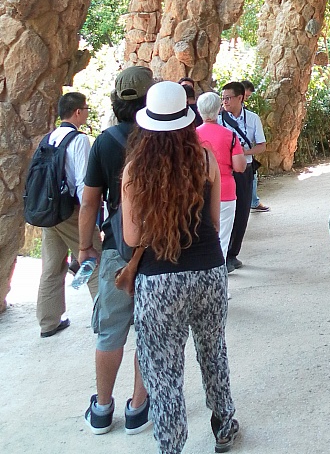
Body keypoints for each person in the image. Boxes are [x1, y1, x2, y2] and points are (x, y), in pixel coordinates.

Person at [122, 81, 239, 454]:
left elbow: (131, 236)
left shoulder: (135, 170)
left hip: (158, 280)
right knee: (213, 350)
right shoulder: (204, 160)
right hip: (208, 271)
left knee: (163, 369)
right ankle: (224, 424)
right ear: (187, 120)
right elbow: (214, 224)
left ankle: (171, 445)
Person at [79, 66, 153, 435]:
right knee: (149, 332)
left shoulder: (105, 142)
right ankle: (138, 408)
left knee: (110, 330)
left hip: (117, 246)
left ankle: (102, 409)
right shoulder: (163, 138)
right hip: (157, 248)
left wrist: (84, 247)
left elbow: (89, 201)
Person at [36, 91, 101, 337]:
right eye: (86, 109)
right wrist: (89, 216)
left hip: (48, 211)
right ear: (77, 112)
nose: (87, 112)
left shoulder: (49, 137)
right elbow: (84, 183)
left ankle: (48, 322)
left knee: (52, 267)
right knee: (94, 260)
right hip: (70, 211)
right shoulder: (79, 140)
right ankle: (105, 318)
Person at [218, 81, 266, 271]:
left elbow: (261, 146)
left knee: (242, 211)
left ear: (240, 98)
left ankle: (233, 254)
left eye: (228, 98)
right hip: (224, 170)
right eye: (223, 98)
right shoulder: (219, 119)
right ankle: (222, 254)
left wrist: (241, 152)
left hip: (244, 169)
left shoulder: (252, 118)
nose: (225, 102)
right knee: (223, 212)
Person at [197, 91, 247, 261]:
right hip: (225, 191)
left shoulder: (191, 136)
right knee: (223, 237)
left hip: (198, 191)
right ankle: (221, 267)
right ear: (219, 109)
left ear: (199, 111)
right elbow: (240, 167)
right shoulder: (230, 135)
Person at [242, 80, 270, 213]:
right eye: (246, 95)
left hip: (247, 157)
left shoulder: (250, 116)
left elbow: (261, 144)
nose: (246, 99)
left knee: (252, 176)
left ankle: (253, 201)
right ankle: (253, 201)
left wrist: (246, 152)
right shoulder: (222, 115)